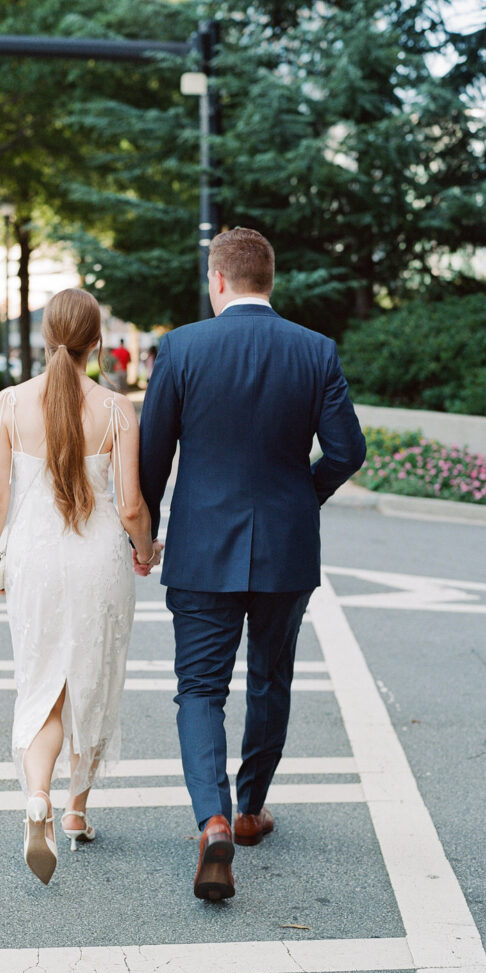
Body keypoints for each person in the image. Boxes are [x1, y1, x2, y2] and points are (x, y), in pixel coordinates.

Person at [137, 227, 366, 901]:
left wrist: (145, 532)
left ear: (218, 281)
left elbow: (154, 455)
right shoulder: (315, 350)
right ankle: (248, 810)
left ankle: (211, 822)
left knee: (200, 690)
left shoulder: (181, 347)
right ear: (270, 279)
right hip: (287, 550)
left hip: (202, 547)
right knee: (271, 680)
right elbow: (348, 451)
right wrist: (304, 496)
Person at [0, 288, 162, 885]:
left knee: (42, 688)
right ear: (95, 343)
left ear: (45, 337)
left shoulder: (7, 404)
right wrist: (145, 550)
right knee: (93, 683)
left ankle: (39, 798)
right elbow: (131, 504)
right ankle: (78, 810)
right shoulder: (115, 410)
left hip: (32, 558)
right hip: (98, 561)